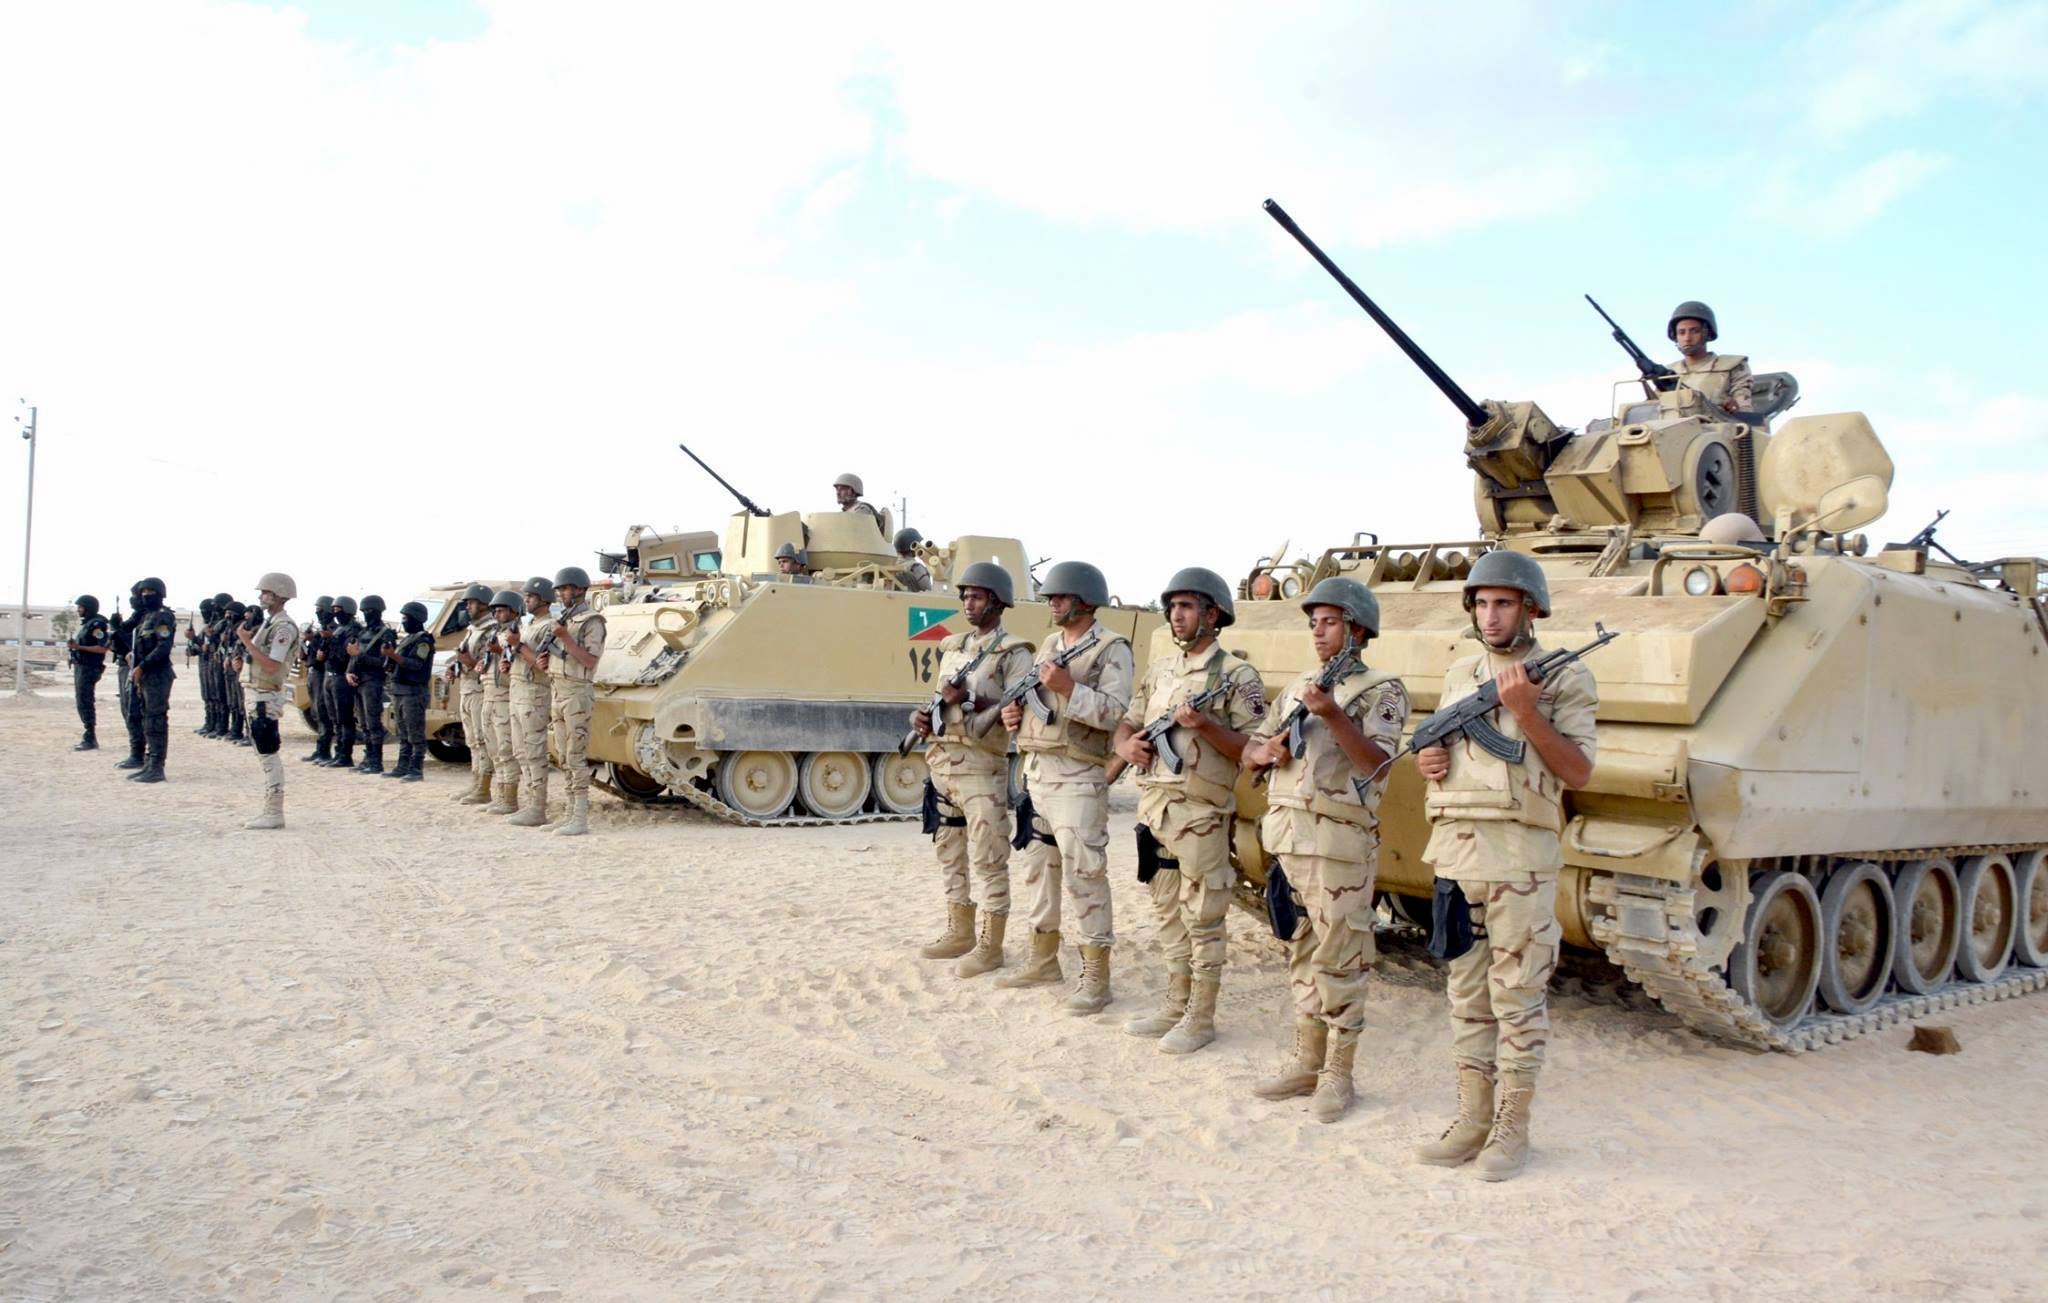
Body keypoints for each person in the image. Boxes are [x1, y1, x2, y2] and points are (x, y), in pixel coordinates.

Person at [1413, 550, 1597, 1181]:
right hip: (1457, 852)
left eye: (1504, 603)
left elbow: (1577, 770)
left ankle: (1511, 1130)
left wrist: (1524, 712)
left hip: (1520, 856)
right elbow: (1440, 746)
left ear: (1531, 608)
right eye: (1482, 604)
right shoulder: (1462, 670)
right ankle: (1471, 1118)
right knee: (1465, 993)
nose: (1491, 616)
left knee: (1516, 996)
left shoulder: (1563, 678)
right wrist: (1429, 760)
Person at [1240, 577, 1407, 1121]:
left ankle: (1339, 1073)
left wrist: (1333, 713)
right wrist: (1263, 751)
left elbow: (1378, 765)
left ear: (1358, 629)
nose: (1319, 631)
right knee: (1302, 951)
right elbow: (1253, 749)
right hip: (1288, 837)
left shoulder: (1381, 690)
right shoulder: (1297, 687)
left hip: (1338, 844)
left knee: (1344, 957)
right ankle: (1307, 1061)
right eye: (1314, 622)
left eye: (1330, 621)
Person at [1112, 566, 1266, 1055]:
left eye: (1186, 606)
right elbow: (1127, 721)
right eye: (1172, 606)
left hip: (1200, 810)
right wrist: (1128, 747)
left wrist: (1205, 727)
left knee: (1204, 915)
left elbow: (1254, 749)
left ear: (1212, 614)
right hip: (1156, 808)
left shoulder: (1236, 676)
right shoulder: (1161, 670)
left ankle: (1201, 1017)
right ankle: (1174, 1003)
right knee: (1166, 911)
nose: (1176, 615)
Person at [997, 560, 1133, 1012]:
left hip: (1078, 776)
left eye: (1060, 596)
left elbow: (1116, 712)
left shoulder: (1113, 648)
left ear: (1084, 601)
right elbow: (1039, 701)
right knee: (1040, 869)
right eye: (1050, 596)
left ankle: (1097, 976)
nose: (1051, 602)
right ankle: (1042, 959)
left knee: (1085, 874)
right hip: (1038, 770)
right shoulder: (1051, 643)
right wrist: (1015, 718)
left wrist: (1069, 688)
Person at [910, 560, 1034, 975]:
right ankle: (959, 931)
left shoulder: (1014, 653)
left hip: (981, 765)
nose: (967, 602)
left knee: (989, 855)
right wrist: (924, 716)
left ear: (997, 602)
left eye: (976, 596)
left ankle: (990, 945)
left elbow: (1011, 706)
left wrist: (968, 701)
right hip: (943, 761)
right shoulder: (951, 647)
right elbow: (937, 696)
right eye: (964, 595)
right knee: (949, 851)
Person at [235, 573, 303, 829]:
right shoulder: (270, 623)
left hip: (266, 696)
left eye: (265, 592)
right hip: (257, 692)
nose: (261, 596)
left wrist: (245, 641)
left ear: (278, 595)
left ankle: (274, 811)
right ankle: (271, 810)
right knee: (262, 751)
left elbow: (273, 665)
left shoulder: (283, 627)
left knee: (268, 752)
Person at [545, 565, 606, 836]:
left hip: (577, 693)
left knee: (576, 756)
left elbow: (590, 661)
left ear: (580, 590)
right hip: (558, 690)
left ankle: (580, 817)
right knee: (562, 757)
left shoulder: (592, 621)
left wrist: (565, 638)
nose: (561, 594)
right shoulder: (565, 620)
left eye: (566, 588)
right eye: (559, 589)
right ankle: (570, 814)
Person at [504, 576, 557, 827]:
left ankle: (537, 808)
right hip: (517, 690)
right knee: (520, 751)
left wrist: (519, 647)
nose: (526, 600)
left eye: (530, 596)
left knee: (534, 751)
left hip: (534, 693)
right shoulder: (528, 625)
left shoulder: (550, 626)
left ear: (544, 599)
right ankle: (529, 803)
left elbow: (544, 664)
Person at [126, 576, 179, 783]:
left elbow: (163, 647)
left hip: (157, 674)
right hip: (145, 673)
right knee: (147, 719)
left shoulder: (163, 617)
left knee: (156, 719)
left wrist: (143, 665)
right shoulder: (147, 617)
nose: (146, 595)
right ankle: (149, 763)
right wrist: (135, 659)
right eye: (143, 592)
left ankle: (157, 766)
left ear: (160, 593)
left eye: (150, 592)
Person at [448, 584, 497, 804]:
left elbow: (488, 663)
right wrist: (454, 667)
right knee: (472, 741)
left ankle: (483, 789)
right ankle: (475, 784)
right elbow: (463, 656)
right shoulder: (473, 628)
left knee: (482, 740)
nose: (468, 607)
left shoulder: (491, 629)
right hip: (467, 688)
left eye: (472, 602)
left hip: (481, 689)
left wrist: (468, 662)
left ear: (485, 604)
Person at [480, 589, 523, 815]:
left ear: (514, 611)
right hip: (490, 695)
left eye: (502, 610)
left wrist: (501, 650)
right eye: (495, 610)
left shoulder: (518, 633)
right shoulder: (495, 633)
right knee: (494, 749)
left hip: (506, 697)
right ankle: (499, 795)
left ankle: (510, 799)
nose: (497, 614)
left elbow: (521, 663)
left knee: (507, 749)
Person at [1667, 301, 1753, 414]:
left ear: (1707, 333)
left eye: (1694, 331)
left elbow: (1745, 413)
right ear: (1675, 337)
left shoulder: (1732, 365)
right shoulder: (1668, 373)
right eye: (1681, 333)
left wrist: (1734, 407)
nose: (1687, 338)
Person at [385, 601, 436, 783]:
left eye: (406, 618)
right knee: (403, 731)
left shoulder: (423, 641)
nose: (404, 621)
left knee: (415, 732)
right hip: (400, 690)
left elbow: (416, 664)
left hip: (413, 691)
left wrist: (393, 656)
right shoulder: (407, 640)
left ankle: (416, 769)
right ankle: (402, 766)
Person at [347, 595, 395, 775]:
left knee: (373, 721)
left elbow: (384, 663)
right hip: (359, 680)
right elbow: (354, 655)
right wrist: (349, 672)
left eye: (369, 611)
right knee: (364, 722)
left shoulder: (385, 634)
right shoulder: (363, 632)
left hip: (373, 681)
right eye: (364, 611)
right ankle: (369, 757)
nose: (366, 614)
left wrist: (359, 656)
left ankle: (376, 761)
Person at [321, 597, 363, 769]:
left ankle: (345, 755)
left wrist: (332, 639)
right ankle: (338, 752)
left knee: (344, 718)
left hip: (341, 677)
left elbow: (345, 655)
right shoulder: (339, 629)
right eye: (334, 610)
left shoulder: (353, 630)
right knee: (334, 718)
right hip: (330, 676)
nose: (336, 613)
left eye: (339, 609)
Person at [67, 594, 112, 750]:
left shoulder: (97, 625)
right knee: (81, 701)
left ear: (88, 608)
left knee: (85, 701)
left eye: (80, 607)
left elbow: (103, 648)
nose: (78, 610)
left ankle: (90, 736)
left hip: (89, 668)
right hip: (82, 667)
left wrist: (79, 648)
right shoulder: (88, 625)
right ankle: (88, 735)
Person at [112, 585, 144, 770]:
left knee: (136, 711)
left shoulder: (151, 616)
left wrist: (119, 630)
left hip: (140, 668)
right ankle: (136, 751)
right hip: (127, 665)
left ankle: (139, 753)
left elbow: (138, 642)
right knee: (128, 710)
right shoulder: (136, 616)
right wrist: (117, 627)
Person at [302, 597, 336, 764]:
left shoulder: (333, 631)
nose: (318, 612)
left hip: (324, 675)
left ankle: (325, 751)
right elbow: (309, 657)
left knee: (323, 713)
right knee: (317, 712)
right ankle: (320, 749)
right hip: (314, 674)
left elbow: (326, 656)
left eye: (321, 609)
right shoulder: (320, 631)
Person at [219, 600, 252, 746]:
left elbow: (247, 649)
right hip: (231, 668)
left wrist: (238, 659)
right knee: (234, 702)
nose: (227, 616)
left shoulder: (243, 629)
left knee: (243, 703)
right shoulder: (229, 629)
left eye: (230, 613)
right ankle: (236, 730)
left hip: (241, 669)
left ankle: (249, 733)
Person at [193, 597, 221, 737]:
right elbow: (197, 646)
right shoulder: (206, 628)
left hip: (216, 665)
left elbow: (221, 645)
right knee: (207, 695)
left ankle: (218, 725)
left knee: (217, 696)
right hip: (204, 665)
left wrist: (212, 638)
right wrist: (193, 640)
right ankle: (209, 723)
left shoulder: (219, 626)